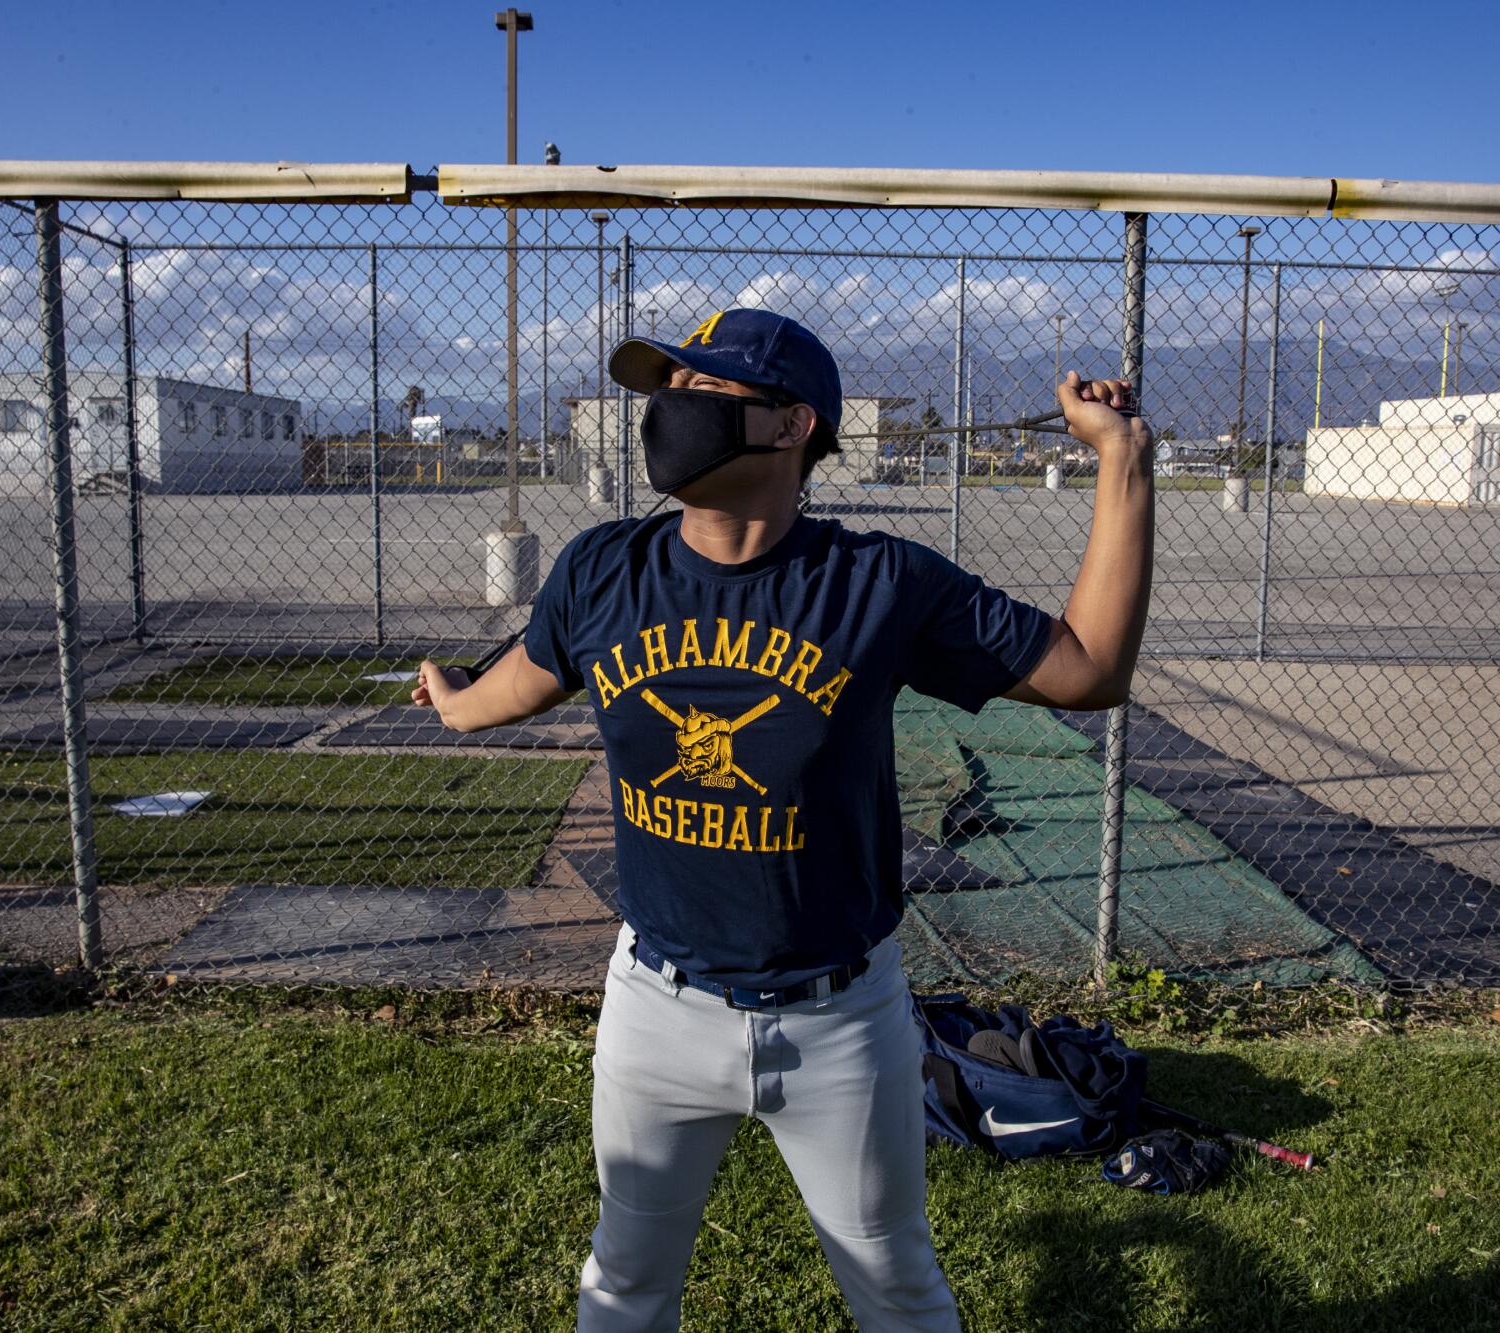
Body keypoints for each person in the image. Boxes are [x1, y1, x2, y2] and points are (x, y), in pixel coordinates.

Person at [412, 307, 1154, 1331]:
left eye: (705, 393)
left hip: (840, 1021)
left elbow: (1089, 668)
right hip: (656, 1007)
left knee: (896, 1290)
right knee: (623, 1282)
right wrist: (451, 693)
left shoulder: (878, 583)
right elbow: (516, 685)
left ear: (789, 425)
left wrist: (1120, 460)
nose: (670, 412)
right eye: (665, 392)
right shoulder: (600, 571)